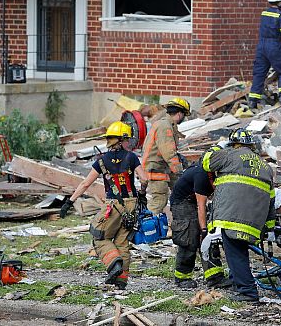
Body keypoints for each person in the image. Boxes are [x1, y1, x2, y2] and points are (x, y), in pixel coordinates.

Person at [60, 122, 148, 290]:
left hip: (113, 206)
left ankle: (113, 264)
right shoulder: (132, 157)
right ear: (121, 140)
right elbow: (144, 179)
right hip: (132, 204)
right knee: (122, 243)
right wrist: (142, 193)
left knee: (99, 236)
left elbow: (86, 184)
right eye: (127, 139)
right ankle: (121, 282)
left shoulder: (102, 161)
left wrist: (69, 202)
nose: (129, 143)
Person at [202, 128, 275, 302]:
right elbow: (271, 198)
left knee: (235, 253)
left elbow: (205, 162)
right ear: (251, 145)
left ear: (233, 144)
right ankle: (238, 283)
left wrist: (216, 147)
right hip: (255, 221)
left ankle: (248, 291)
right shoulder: (265, 166)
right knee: (240, 252)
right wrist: (270, 227)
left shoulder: (229, 155)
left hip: (232, 216)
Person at [170, 146, 229, 289]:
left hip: (196, 201)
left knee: (211, 237)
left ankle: (215, 277)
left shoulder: (219, 172)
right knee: (190, 237)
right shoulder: (201, 174)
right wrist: (203, 230)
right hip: (182, 202)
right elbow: (200, 205)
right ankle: (182, 277)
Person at [248, 0, 281, 108]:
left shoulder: (264, 13)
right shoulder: (280, 15)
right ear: (280, 2)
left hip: (261, 45)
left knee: (259, 73)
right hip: (273, 46)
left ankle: (253, 100)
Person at [141, 98, 190, 215]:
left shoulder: (166, 124)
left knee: (181, 190)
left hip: (162, 167)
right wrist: (180, 171)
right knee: (159, 200)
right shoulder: (165, 127)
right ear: (179, 114)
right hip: (156, 169)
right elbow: (169, 153)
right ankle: (148, 227)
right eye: (184, 115)